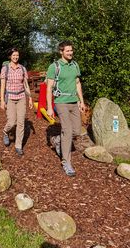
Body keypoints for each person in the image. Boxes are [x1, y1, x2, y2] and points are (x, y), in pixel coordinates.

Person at [46, 41, 86, 177]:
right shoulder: (55, 67)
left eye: (71, 50)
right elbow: (49, 88)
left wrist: (81, 101)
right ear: (61, 52)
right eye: (68, 51)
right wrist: (50, 107)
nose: (70, 53)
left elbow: (77, 83)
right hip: (60, 102)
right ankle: (66, 163)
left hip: (74, 102)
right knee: (67, 130)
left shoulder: (75, 65)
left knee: (76, 131)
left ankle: (57, 140)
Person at [0, 48, 34, 156]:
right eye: (14, 55)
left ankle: (18, 146)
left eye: (17, 55)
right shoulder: (5, 69)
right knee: (11, 122)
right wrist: (2, 100)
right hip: (10, 98)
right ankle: (5, 131)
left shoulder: (22, 69)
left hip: (21, 97)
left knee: (20, 123)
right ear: (10, 56)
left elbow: (26, 84)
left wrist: (30, 97)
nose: (16, 57)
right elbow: (3, 86)